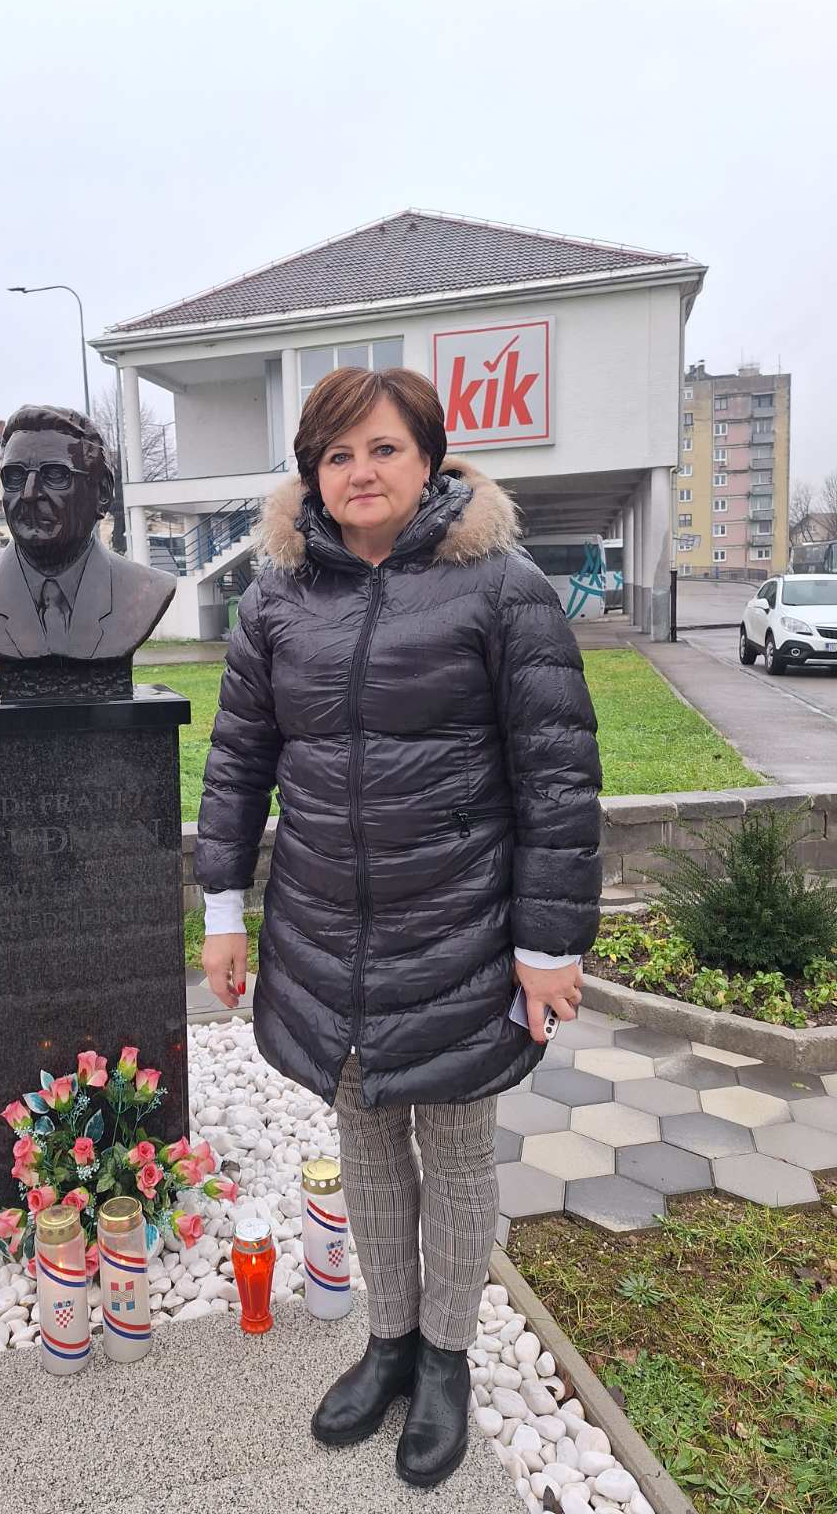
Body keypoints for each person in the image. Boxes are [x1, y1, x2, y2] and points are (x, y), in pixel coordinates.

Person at [195, 367, 601, 1489]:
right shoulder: (277, 600)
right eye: (337, 455)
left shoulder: (502, 589)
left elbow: (558, 779)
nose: (360, 472)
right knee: (368, 1143)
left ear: (429, 459)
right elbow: (238, 765)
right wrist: (223, 911)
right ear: (311, 475)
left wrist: (549, 947)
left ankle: (447, 1358)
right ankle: (388, 1342)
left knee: (457, 1152)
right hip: (325, 933)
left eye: (382, 449)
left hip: (463, 932)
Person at [0, 404, 174, 663]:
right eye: (14, 476)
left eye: (55, 475)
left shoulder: (148, 590)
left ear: (102, 493)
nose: (29, 494)